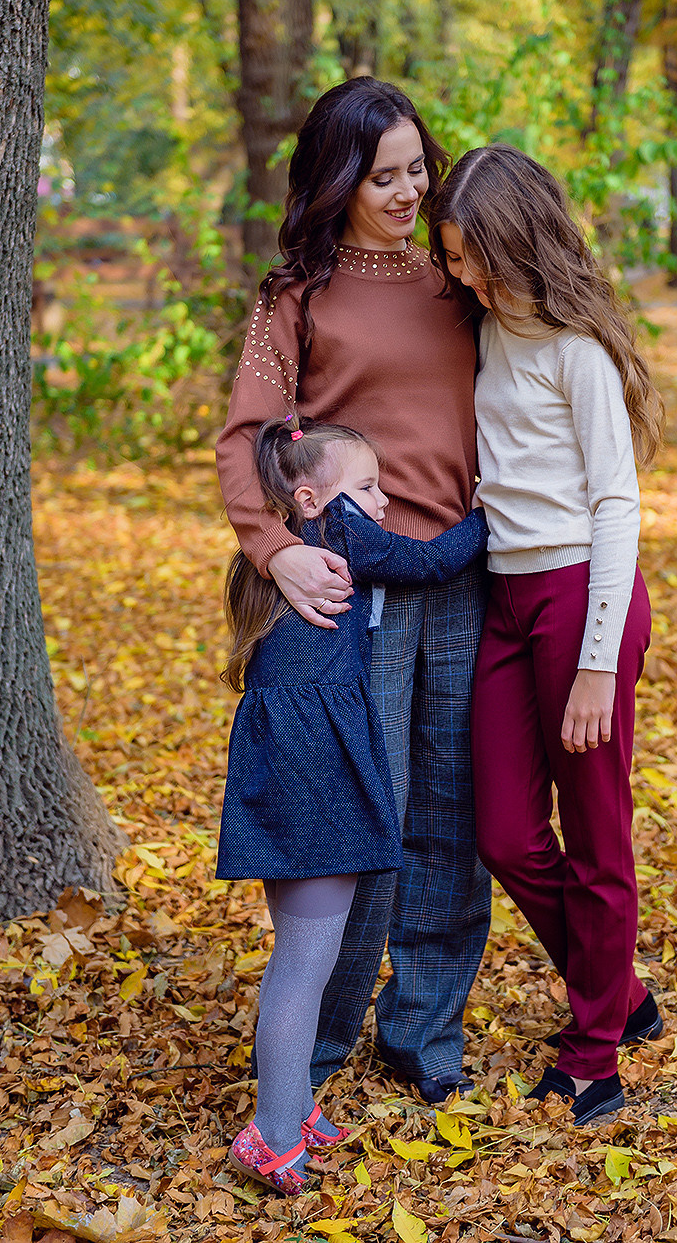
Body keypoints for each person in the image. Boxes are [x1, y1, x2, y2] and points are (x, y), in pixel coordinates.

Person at [216, 77, 491, 1104]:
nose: (408, 191)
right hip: (351, 587)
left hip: (463, 575)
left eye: (418, 169)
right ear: (338, 182)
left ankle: (423, 1032)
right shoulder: (296, 296)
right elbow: (247, 437)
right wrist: (271, 548)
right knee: (363, 818)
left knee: (451, 819)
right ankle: (317, 1050)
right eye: (384, 177)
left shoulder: (458, 275)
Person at [430, 144, 666, 1126]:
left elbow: (617, 505)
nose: (463, 278)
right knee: (507, 835)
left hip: (578, 600)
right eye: (451, 259)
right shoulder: (483, 331)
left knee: (595, 834)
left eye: (474, 259)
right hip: (504, 598)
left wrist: (597, 664)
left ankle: (592, 1056)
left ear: (520, 242)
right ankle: (620, 993)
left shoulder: (577, 353)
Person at [219, 416, 488, 1192]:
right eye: (368, 486)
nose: (381, 502)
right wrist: (486, 515)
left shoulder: (290, 557)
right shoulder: (338, 531)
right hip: (316, 780)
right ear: (310, 499)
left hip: (290, 765)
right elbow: (429, 561)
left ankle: (297, 1107)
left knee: (305, 951)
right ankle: (270, 1134)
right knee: (303, 964)